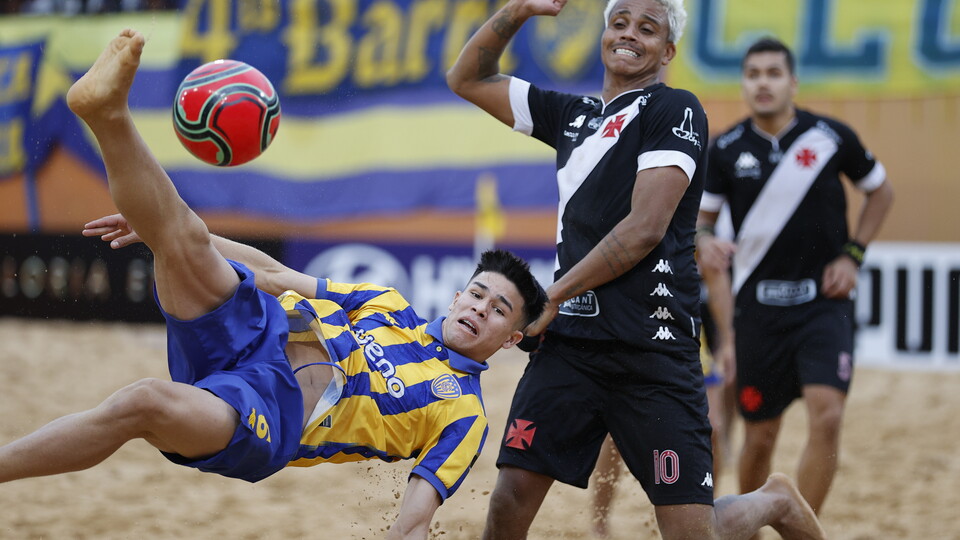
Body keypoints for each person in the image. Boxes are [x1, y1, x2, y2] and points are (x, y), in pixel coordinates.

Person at [0, 29, 548, 540]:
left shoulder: (464, 414)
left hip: (271, 410)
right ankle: (106, 114)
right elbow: (276, 275)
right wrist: (163, 227)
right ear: (457, 296)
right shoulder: (387, 303)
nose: (481, 308)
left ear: (510, 339)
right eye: (478, 294)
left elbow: (415, 516)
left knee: (141, 402)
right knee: (181, 234)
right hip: (260, 329)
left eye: (500, 310)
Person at [447, 1, 826, 538]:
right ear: (604, 34)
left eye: (647, 29)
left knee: (693, 533)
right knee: (509, 500)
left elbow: (645, 228)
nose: (629, 35)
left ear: (667, 51)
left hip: (653, 351)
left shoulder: (675, 109)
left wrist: (552, 296)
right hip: (572, 347)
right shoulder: (569, 115)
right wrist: (521, 9)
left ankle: (775, 500)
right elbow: (467, 78)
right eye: (619, 23)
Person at [696, 37, 894, 518]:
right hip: (757, 312)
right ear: (744, 84)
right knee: (761, 436)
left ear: (793, 82)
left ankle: (805, 527)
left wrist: (853, 255)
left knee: (828, 415)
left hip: (823, 305)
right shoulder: (725, 149)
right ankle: (751, 524)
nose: (762, 83)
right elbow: (701, 222)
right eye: (753, 74)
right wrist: (702, 240)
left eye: (773, 73)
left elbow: (881, 192)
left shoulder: (831, 137)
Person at [589, 262, 737, 538]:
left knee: (713, 429)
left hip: (685, 334)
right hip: (635, 330)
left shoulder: (695, 240)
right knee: (616, 436)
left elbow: (716, 275)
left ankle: (704, 514)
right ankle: (599, 520)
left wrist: (728, 340)